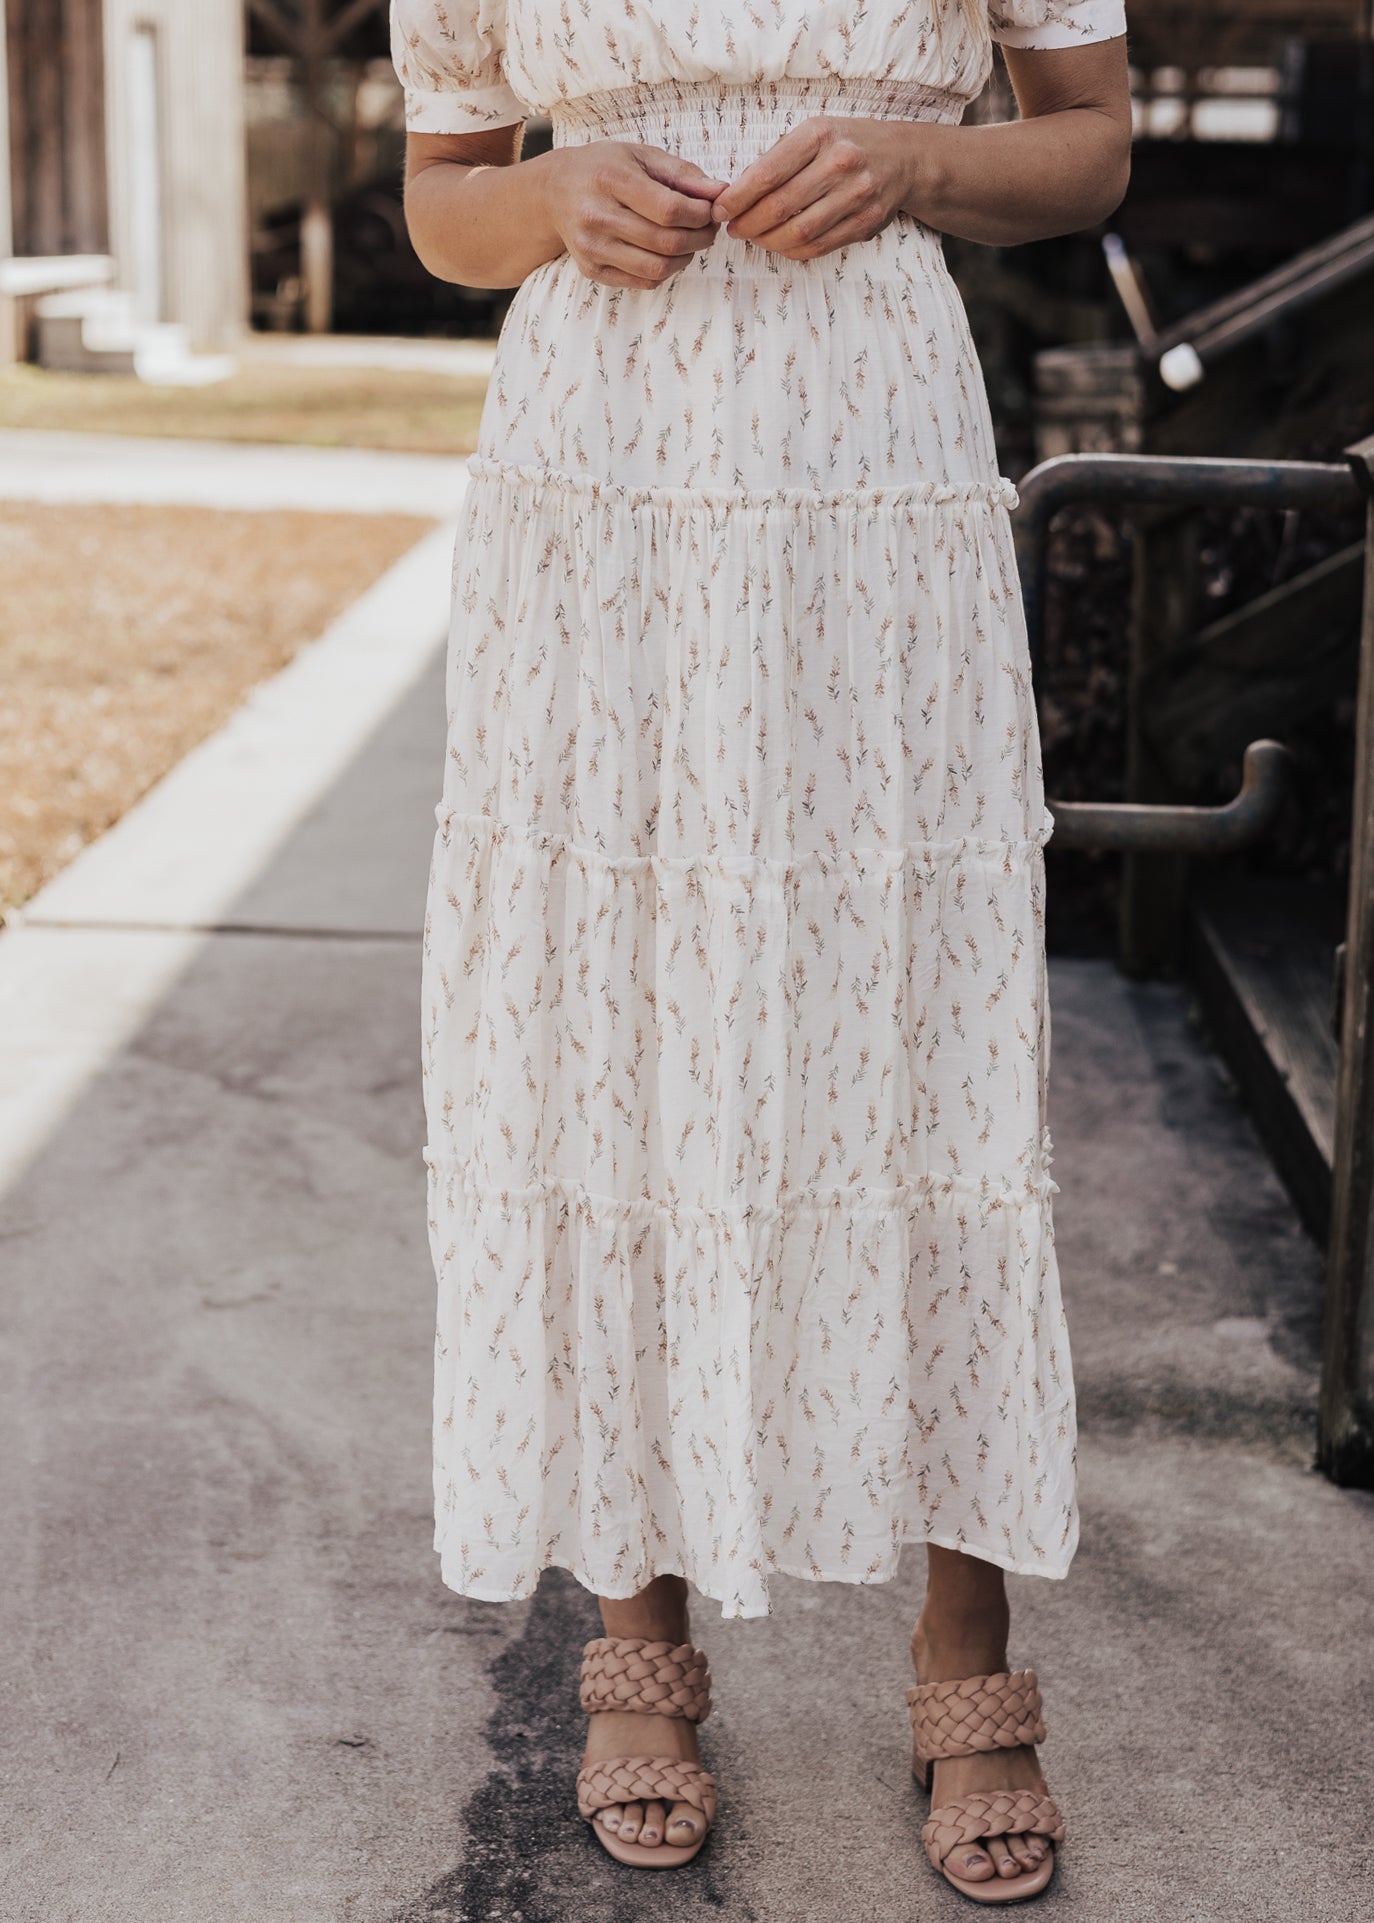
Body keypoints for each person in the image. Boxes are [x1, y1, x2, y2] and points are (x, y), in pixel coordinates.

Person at [390, 0, 1131, 1899]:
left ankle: (964, 1656)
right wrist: (546, 199)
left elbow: (1090, 140)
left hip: (869, 475)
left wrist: (922, 161)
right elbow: (443, 197)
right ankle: (636, 1639)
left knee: (918, 1032)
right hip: (597, 488)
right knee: (612, 1023)